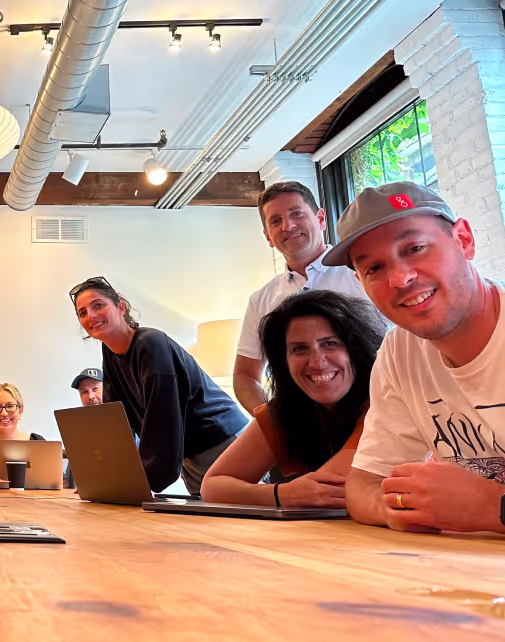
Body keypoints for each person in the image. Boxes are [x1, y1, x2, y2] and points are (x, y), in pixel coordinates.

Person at [323, 182, 505, 534]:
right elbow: (362, 485)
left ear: (463, 240)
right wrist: (407, 507)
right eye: (374, 268)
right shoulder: (400, 351)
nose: (400, 278)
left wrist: (490, 507)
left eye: (415, 248)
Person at [200, 290, 385, 507]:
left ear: (356, 349)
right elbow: (212, 487)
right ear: (284, 362)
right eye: (299, 349)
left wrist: (279, 495)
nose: (317, 362)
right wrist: (281, 494)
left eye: (329, 344)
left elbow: (329, 488)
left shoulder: (384, 400)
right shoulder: (285, 410)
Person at [70, 277, 247, 494]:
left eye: (98, 305)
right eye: (83, 312)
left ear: (120, 307)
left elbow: (163, 417)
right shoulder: (110, 352)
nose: (92, 316)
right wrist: (105, 474)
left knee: (237, 525)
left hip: (220, 441)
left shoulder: (151, 343)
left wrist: (133, 479)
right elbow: (117, 420)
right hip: (190, 452)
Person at [233, 181, 371, 414]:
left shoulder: (362, 274)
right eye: (276, 221)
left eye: (296, 213)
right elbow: (244, 375)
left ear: (320, 219)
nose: (288, 225)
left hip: (373, 413)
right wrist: (274, 422)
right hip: (302, 425)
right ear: (268, 236)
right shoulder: (261, 300)